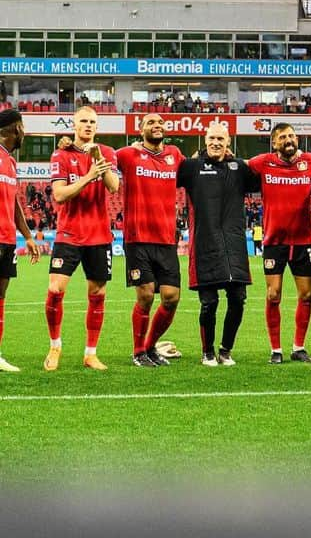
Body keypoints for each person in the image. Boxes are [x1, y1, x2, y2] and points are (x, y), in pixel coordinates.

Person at [177, 121, 261, 366]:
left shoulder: (238, 168)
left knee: (238, 299)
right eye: (212, 138)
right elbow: (166, 173)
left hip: (234, 247)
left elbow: (264, 174)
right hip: (205, 245)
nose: (216, 143)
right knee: (209, 303)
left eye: (220, 140)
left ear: (228, 143)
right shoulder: (192, 167)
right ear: (205, 141)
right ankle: (207, 352)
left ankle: (226, 350)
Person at [45, 105, 120, 372]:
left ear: (97, 127)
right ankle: (55, 346)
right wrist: (89, 176)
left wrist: (99, 159)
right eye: (84, 121)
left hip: (99, 235)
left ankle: (90, 353)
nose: (88, 125)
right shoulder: (61, 154)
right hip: (69, 233)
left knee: (97, 293)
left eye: (92, 122)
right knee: (56, 290)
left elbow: (113, 186)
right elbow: (60, 195)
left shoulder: (107, 153)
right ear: (74, 125)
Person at [248, 123, 311, 365]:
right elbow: (237, 167)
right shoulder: (262, 162)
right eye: (283, 137)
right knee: (273, 295)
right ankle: (276, 350)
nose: (289, 140)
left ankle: (299, 348)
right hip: (274, 242)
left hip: (302, 242)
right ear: (274, 142)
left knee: (307, 295)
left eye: (291, 135)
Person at [115, 113, 185, 367]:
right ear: (141, 129)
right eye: (150, 123)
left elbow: (195, 171)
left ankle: (150, 347)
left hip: (166, 239)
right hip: (138, 238)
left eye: (160, 123)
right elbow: (101, 156)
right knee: (145, 296)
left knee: (171, 297)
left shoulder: (175, 155)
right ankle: (138, 352)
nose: (157, 126)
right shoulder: (127, 155)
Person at [0, 109, 46, 373]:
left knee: (1, 296)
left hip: (6, 239)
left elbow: (14, 202)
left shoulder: (11, 162)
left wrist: (28, 236)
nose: (25, 133)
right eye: (23, 127)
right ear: (15, 129)